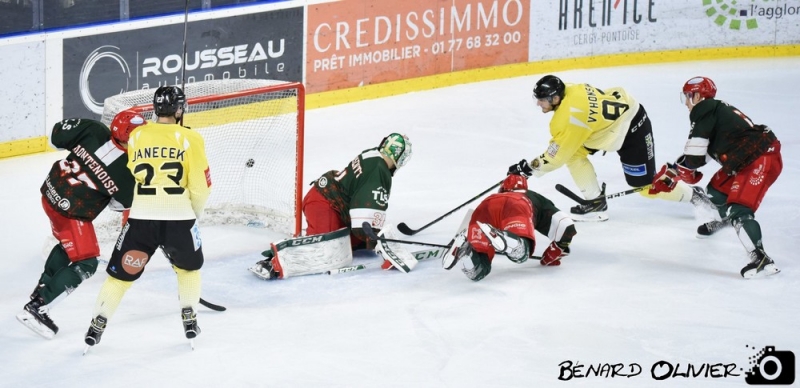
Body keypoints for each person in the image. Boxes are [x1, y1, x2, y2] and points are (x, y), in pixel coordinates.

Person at [84, 85, 212, 349]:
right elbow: (200, 187)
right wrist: (193, 214)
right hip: (180, 219)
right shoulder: (192, 138)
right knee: (188, 270)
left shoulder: (138, 136)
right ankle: (189, 317)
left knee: (120, 277)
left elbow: (134, 169)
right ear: (180, 108)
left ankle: (98, 322)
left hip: (141, 221)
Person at [509, 75, 712, 222]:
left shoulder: (569, 119)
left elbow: (556, 157)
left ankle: (694, 195)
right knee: (575, 154)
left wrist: (528, 168)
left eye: (542, 99)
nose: (538, 103)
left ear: (555, 99)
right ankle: (595, 202)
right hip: (606, 127)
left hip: (633, 129)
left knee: (645, 187)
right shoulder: (570, 89)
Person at [16, 111, 145, 339]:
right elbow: (119, 205)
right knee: (87, 262)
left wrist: (86, 159)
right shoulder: (128, 172)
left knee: (68, 246)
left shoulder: (93, 130)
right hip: (71, 211)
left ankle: (41, 291)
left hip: (50, 191)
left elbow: (56, 136)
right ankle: (38, 309)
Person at [649, 76, 782, 278]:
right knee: (716, 193)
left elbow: (694, 158)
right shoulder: (715, 111)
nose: (686, 102)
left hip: (759, 160)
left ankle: (760, 259)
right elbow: (703, 154)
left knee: (739, 208)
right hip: (742, 160)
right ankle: (725, 219)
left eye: (687, 96)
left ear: (698, 95)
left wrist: (678, 174)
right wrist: (674, 171)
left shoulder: (704, 109)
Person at [249, 133, 414, 279]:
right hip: (324, 203)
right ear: (399, 156)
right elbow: (365, 209)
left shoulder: (373, 154)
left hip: (328, 200)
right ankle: (272, 263)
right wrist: (373, 236)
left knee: (356, 243)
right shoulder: (379, 170)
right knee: (325, 251)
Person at [442, 173, 577, 281]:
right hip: (516, 205)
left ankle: (467, 253)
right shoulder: (533, 197)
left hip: (485, 206)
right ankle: (507, 241)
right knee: (521, 254)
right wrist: (556, 250)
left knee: (479, 271)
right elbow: (566, 225)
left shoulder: (496, 195)